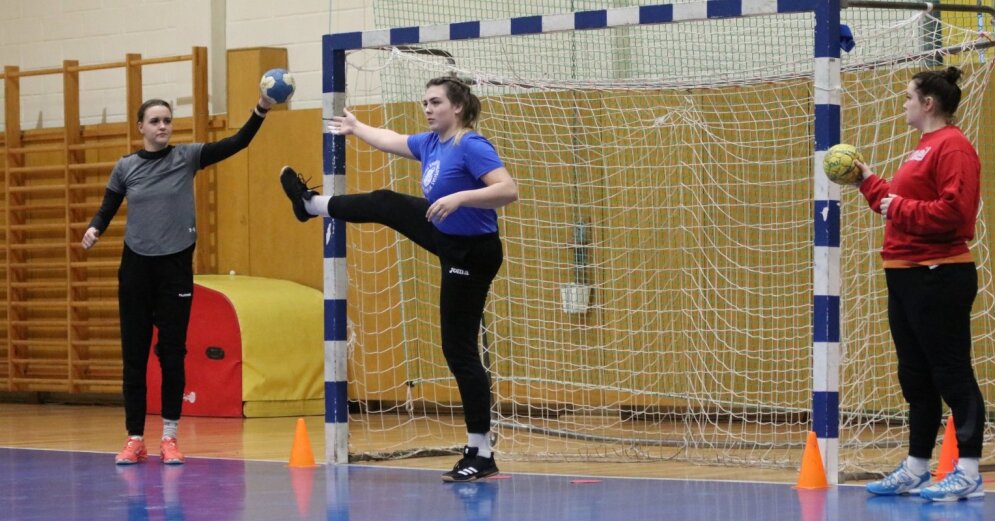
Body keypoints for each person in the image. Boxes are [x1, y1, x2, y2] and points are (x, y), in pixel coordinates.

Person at [280, 76, 518, 481]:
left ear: (457, 108)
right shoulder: (430, 143)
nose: (427, 108)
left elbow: (508, 189)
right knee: (386, 202)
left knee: (458, 350)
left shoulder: (470, 145)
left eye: (435, 102)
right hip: (446, 235)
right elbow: (391, 139)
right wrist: (356, 128)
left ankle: (481, 451)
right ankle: (311, 205)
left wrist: (460, 196)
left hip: (473, 252)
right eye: (424, 101)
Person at [83, 96, 274, 465]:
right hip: (136, 267)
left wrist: (260, 110)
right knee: (134, 356)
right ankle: (135, 438)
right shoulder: (126, 167)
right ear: (140, 127)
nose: (162, 126)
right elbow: (107, 207)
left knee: (172, 353)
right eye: (154, 121)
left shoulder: (186, 157)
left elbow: (237, 143)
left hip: (174, 267)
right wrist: (94, 229)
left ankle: (169, 437)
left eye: (167, 120)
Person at [857, 67, 986, 501]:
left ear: (928, 103)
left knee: (950, 371)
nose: (904, 103)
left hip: (939, 274)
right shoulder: (921, 148)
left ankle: (967, 469)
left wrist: (898, 205)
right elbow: (896, 206)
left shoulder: (953, 146)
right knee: (915, 376)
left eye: (909, 97)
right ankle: (916, 466)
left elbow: (955, 214)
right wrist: (866, 182)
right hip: (904, 274)